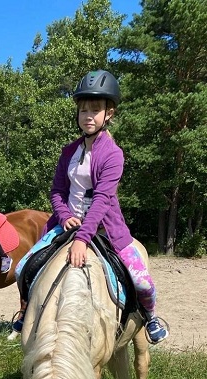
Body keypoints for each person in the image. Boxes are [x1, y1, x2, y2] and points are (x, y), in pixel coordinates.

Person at [14, 70, 168, 344]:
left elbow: (102, 199)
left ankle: (150, 316)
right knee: (23, 267)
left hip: (104, 228)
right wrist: (63, 216)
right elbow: (58, 191)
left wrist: (82, 238)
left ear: (109, 113)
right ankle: (27, 313)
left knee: (142, 281)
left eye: (95, 109)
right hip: (65, 225)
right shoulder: (67, 152)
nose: (88, 115)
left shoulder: (113, 154)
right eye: (83, 109)